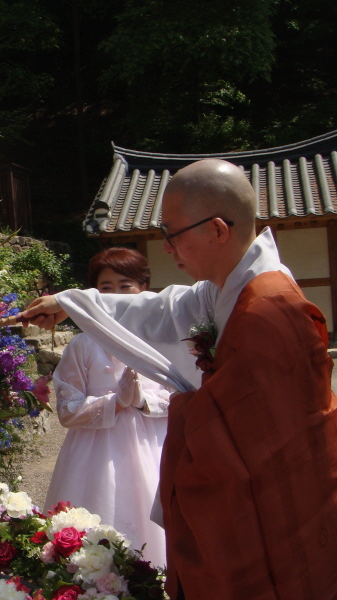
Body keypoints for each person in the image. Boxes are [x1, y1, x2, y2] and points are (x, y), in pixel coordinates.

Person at [22, 159, 337, 600]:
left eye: (172, 233)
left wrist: (176, 403)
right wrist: (72, 304)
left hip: (275, 501)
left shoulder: (270, 308)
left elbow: (259, 434)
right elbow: (163, 311)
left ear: (218, 230)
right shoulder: (227, 288)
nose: (167, 248)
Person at [43, 248, 169, 567]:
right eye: (106, 288)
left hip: (153, 446)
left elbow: (181, 395)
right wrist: (116, 402)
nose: (116, 295)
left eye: (126, 286)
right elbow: (68, 410)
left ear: (143, 288)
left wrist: (142, 400)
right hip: (93, 453)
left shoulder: (162, 340)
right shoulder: (83, 344)